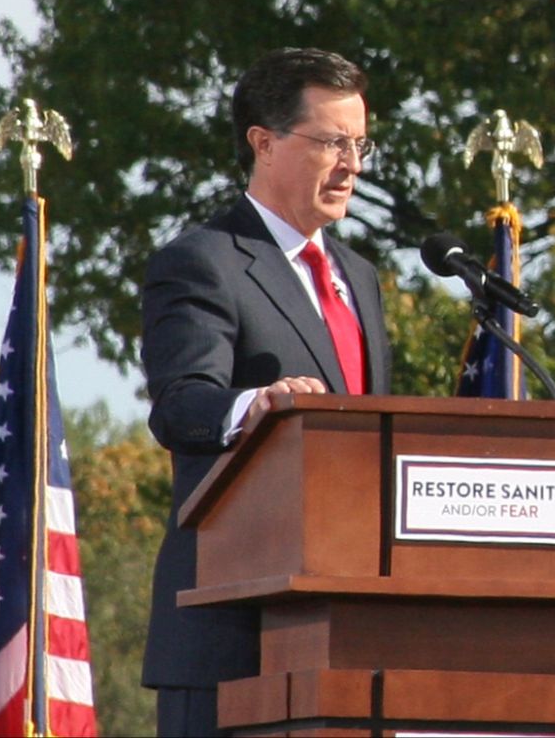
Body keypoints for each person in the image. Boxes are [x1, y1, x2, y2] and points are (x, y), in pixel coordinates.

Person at [140, 47, 392, 736]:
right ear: (264, 142)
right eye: (332, 143)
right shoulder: (203, 261)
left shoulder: (359, 276)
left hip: (342, 630)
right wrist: (251, 406)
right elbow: (180, 405)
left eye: (360, 144)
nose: (352, 165)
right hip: (231, 629)